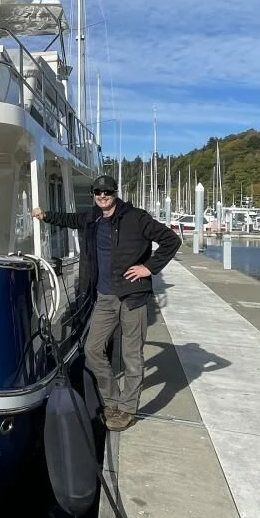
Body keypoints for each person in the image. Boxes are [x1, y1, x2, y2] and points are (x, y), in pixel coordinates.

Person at [35, 175, 180, 431]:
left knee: (132, 356)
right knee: (92, 350)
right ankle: (112, 399)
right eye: (98, 192)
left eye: (107, 191)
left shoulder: (136, 217)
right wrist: (44, 214)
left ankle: (127, 410)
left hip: (133, 297)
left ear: (115, 193)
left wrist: (148, 268)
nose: (103, 196)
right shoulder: (92, 218)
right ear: (94, 194)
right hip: (104, 297)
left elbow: (171, 240)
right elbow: (68, 219)